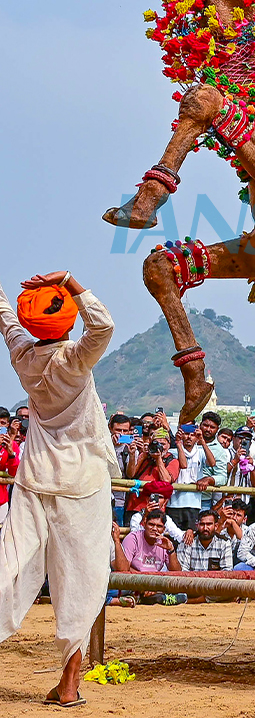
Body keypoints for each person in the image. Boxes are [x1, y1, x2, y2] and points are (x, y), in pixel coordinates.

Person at [0, 269, 119, 706]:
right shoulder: (75, 359)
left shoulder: (23, 358)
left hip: (34, 477)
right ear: (67, 320)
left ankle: (67, 685)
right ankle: (69, 684)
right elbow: (102, 325)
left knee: (8, 563)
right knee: (80, 578)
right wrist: (69, 280)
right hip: (83, 481)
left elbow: (6, 318)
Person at [113, 509, 186, 605]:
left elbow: (177, 572)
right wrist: (145, 583)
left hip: (155, 584)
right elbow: (123, 569)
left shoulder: (164, 542)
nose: (154, 529)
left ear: (164, 529)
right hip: (134, 582)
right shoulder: (133, 538)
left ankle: (154, 597)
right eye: (151, 524)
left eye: (159, 526)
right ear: (144, 524)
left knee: (179, 586)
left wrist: (171, 550)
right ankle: (161, 598)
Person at [125, 427, 180, 522]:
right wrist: (135, 455)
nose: (160, 447)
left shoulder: (172, 461)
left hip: (155, 508)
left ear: (169, 445)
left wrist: (158, 459)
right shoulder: (145, 456)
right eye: (156, 443)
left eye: (163, 444)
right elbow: (130, 474)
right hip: (134, 506)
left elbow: (166, 480)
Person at [128, 481, 191, 546]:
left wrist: (189, 532)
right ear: (147, 499)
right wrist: (145, 516)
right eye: (154, 496)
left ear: (165, 501)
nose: (157, 500)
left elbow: (179, 536)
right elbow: (134, 538)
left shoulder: (166, 519)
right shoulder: (137, 517)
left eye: (160, 497)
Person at [168, 425, 205, 532]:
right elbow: (183, 465)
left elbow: (212, 463)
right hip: (174, 502)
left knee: (190, 535)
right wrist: (178, 444)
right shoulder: (173, 452)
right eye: (186, 434)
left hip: (193, 502)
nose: (189, 437)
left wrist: (202, 441)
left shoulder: (201, 452)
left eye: (193, 435)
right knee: (173, 535)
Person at [195, 412, 229, 513]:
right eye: (205, 425)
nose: (208, 429)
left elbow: (222, 477)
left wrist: (209, 479)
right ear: (200, 425)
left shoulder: (219, 450)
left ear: (217, 429)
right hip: (181, 495)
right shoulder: (189, 440)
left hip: (203, 499)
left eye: (212, 427)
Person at [108, 413, 132, 525]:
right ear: (110, 429)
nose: (121, 434)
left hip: (119, 500)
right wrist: (110, 445)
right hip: (102, 496)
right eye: (118, 430)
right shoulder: (102, 445)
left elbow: (131, 474)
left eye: (125, 431)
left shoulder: (129, 448)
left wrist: (133, 455)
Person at [0, 414, 19, 529]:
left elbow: (13, 473)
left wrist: (11, 454)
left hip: (1, 500)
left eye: (2, 423)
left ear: (7, 425)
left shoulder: (12, 445)